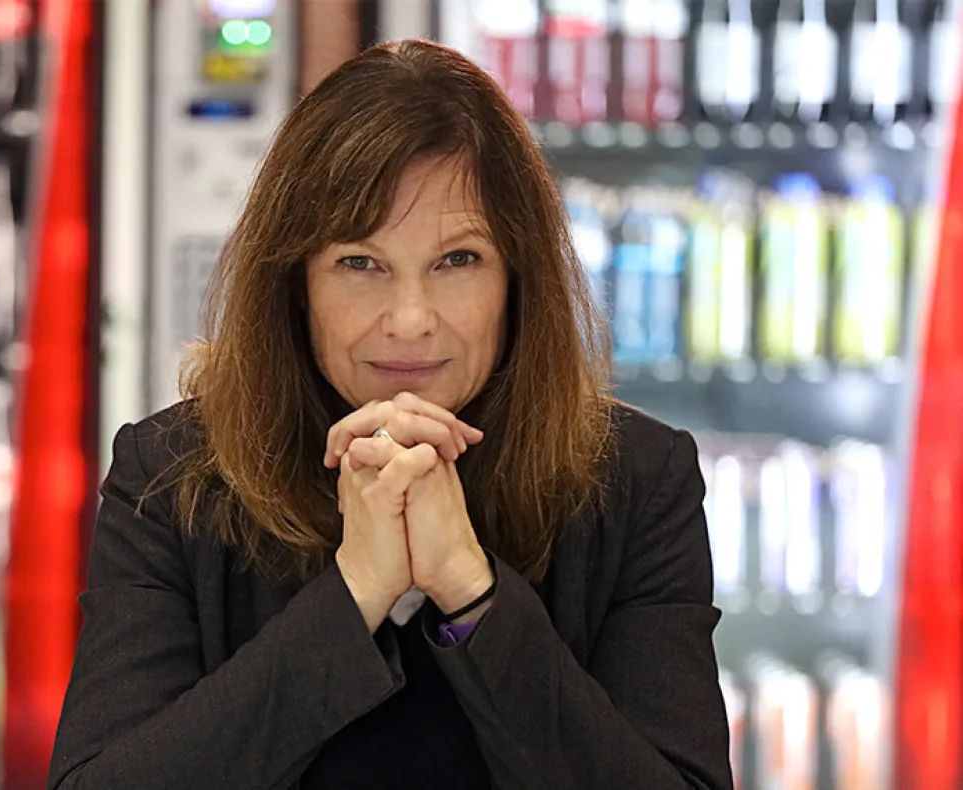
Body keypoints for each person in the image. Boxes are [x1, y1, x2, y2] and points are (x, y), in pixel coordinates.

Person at [48, 39, 732, 789]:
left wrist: (471, 591)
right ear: (296, 286)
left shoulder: (637, 480)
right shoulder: (171, 477)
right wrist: (355, 593)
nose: (410, 320)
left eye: (458, 260)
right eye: (360, 264)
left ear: (518, 278)